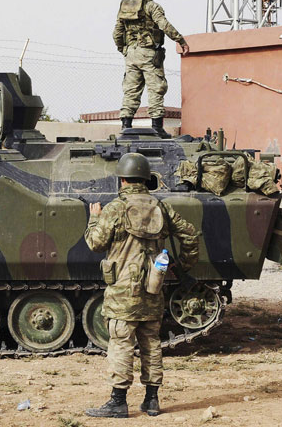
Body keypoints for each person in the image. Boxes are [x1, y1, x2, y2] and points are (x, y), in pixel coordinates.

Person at [84, 153, 199, 418]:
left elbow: (95, 243)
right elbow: (190, 234)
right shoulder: (161, 207)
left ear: (122, 179)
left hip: (123, 291)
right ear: (146, 179)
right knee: (151, 343)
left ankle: (118, 402)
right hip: (152, 288)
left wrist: (94, 219)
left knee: (121, 343)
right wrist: (182, 265)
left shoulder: (115, 208)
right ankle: (152, 400)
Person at [113, 0, 189, 138]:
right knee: (156, 88)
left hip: (131, 53)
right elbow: (164, 25)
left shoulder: (125, 6)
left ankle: (126, 127)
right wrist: (180, 40)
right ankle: (157, 128)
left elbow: (117, 32)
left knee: (131, 90)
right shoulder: (151, 6)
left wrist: (124, 49)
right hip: (148, 53)